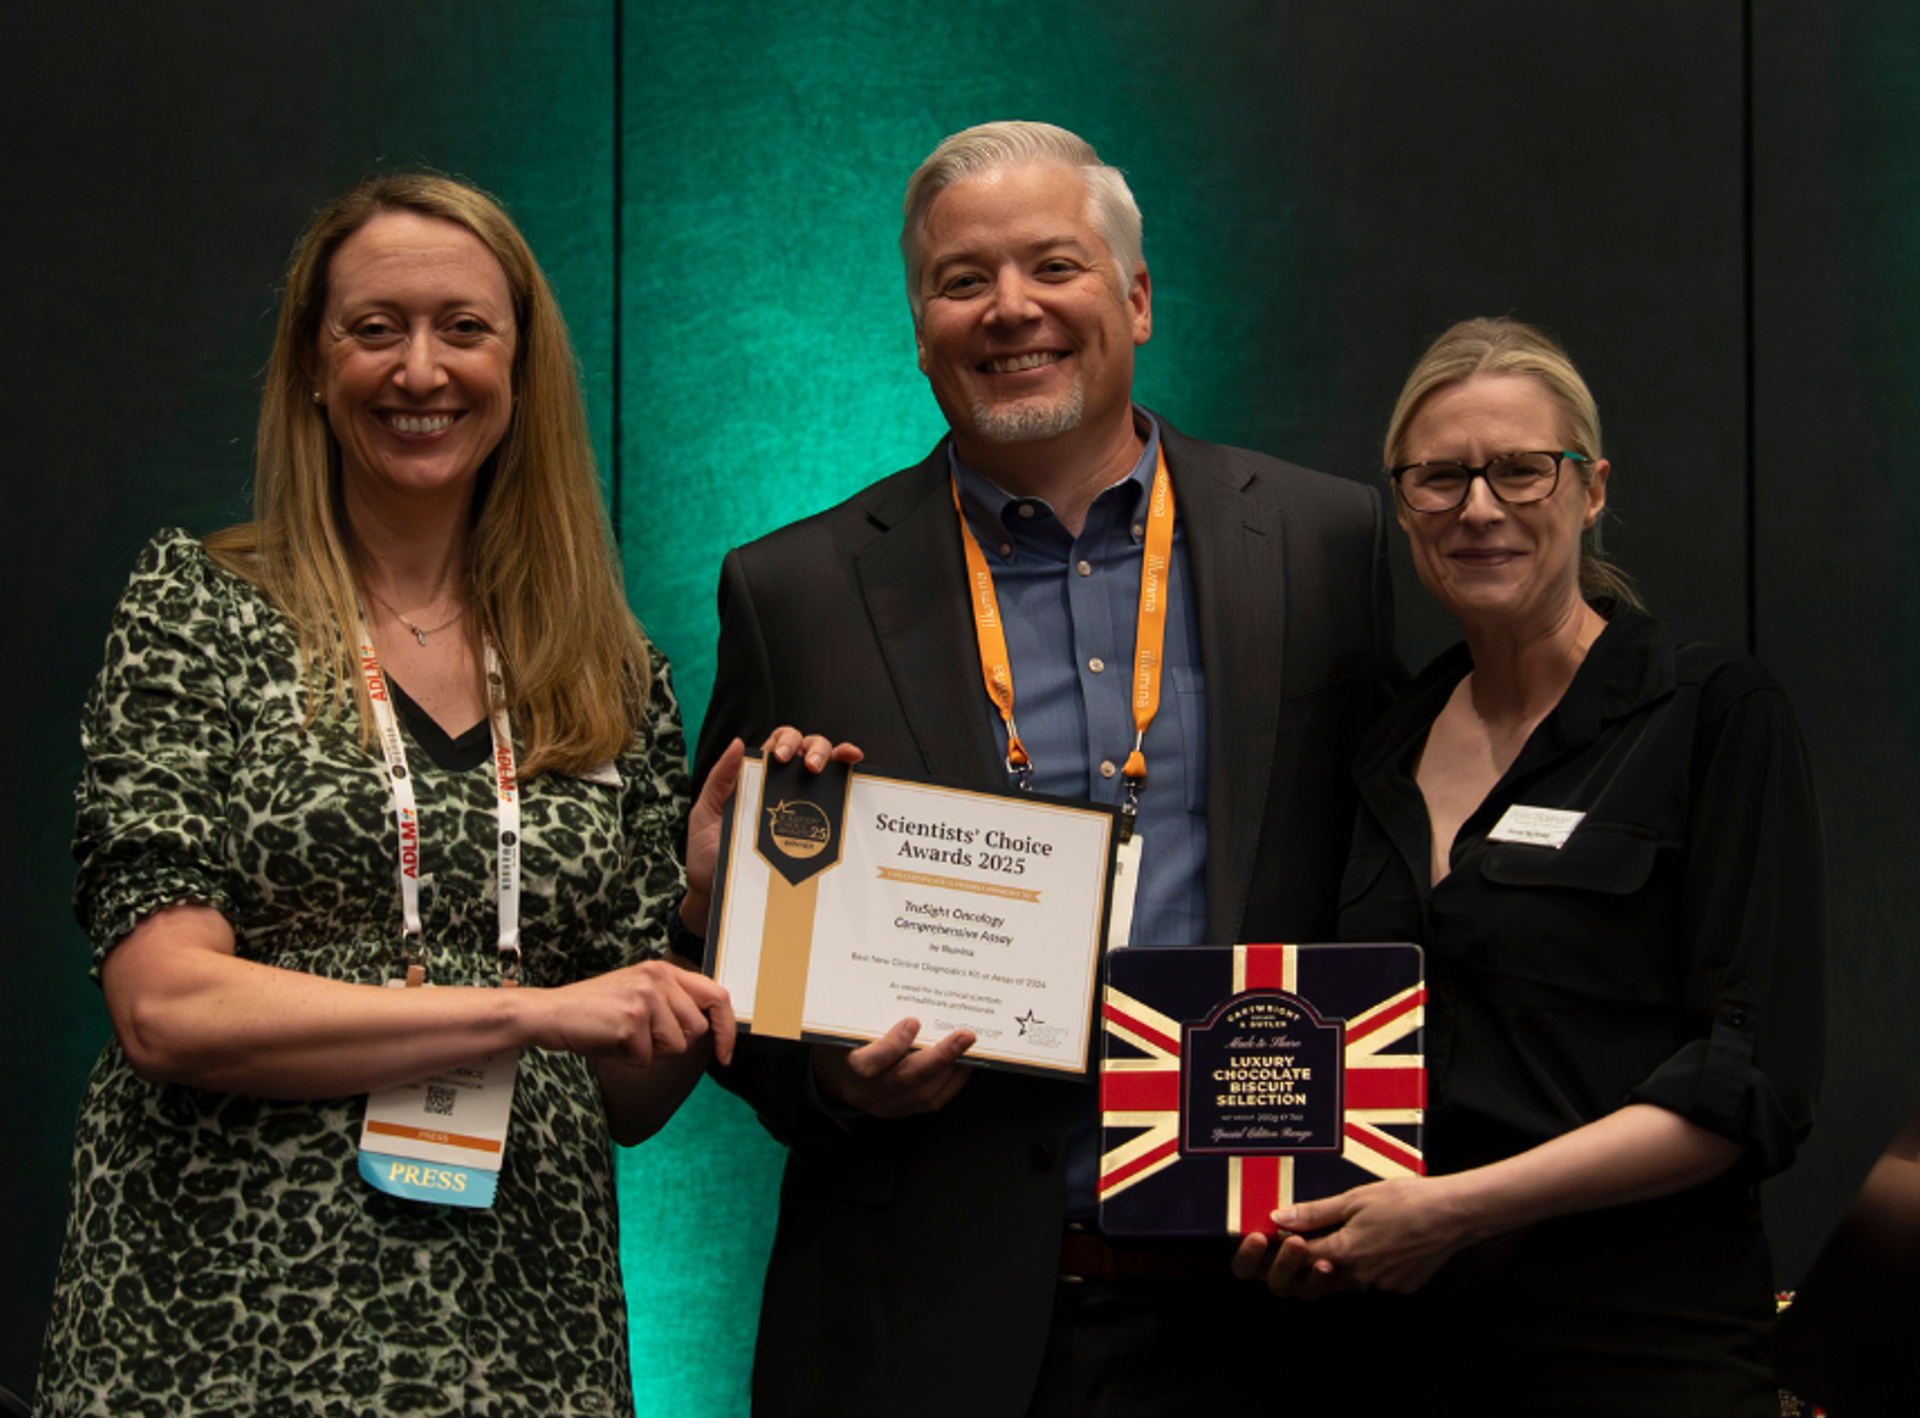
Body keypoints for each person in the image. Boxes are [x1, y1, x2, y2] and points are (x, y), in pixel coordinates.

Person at [688, 121, 1399, 1416]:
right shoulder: (792, 590)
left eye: (1053, 265)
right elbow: (721, 961)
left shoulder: (1326, 541)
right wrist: (827, 1072)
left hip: (1263, 1310)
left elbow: (1394, 879)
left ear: (1134, 297)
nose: (1010, 308)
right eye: (963, 280)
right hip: (920, 1320)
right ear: (919, 326)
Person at [36, 173, 744, 1417]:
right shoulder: (197, 611)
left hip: (523, 1320)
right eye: (376, 329)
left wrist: (697, 908)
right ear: (315, 366)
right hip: (224, 1315)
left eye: (465, 328)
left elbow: (627, 1095)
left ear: (521, 369)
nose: (422, 370)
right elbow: (165, 1007)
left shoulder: (614, 675)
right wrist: (525, 1012)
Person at [1235, 317, 1826, 1415]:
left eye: (1520, 470)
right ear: (1403, 500)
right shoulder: (1380, 744)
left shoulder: (1710, 715)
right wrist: (1295, 1218)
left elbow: (1753, 1085)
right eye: (1441, 476)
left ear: (1591, 487)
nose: (1479, 507)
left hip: (1642, 1352)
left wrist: (1455, 1207)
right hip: (1396, 1355)